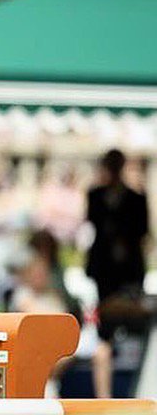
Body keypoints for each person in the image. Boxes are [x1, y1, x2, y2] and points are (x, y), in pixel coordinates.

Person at [85, 149, 150, 398]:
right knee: (106, 329)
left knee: (130, 322)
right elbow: (94, 222)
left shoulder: (135, 197)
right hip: (105, 273)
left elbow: (141, 230)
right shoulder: (96, 194)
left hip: (129, 274)